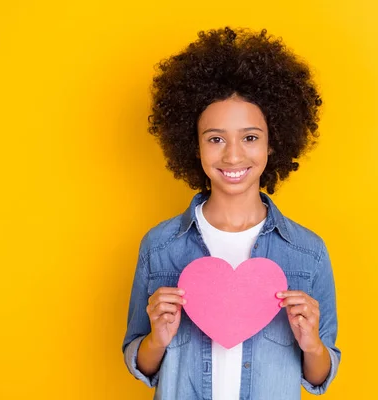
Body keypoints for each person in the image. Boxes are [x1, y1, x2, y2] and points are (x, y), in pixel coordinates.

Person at [122, 27, 341, 399]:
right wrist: (157, 339)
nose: (233, 156)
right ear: (194, 145)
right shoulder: (159, 247)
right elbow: (142, 365)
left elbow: (319, 377)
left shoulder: (308, 252)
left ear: (274, 143)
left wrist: (312, 345)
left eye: (250, 137)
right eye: (216, 138)